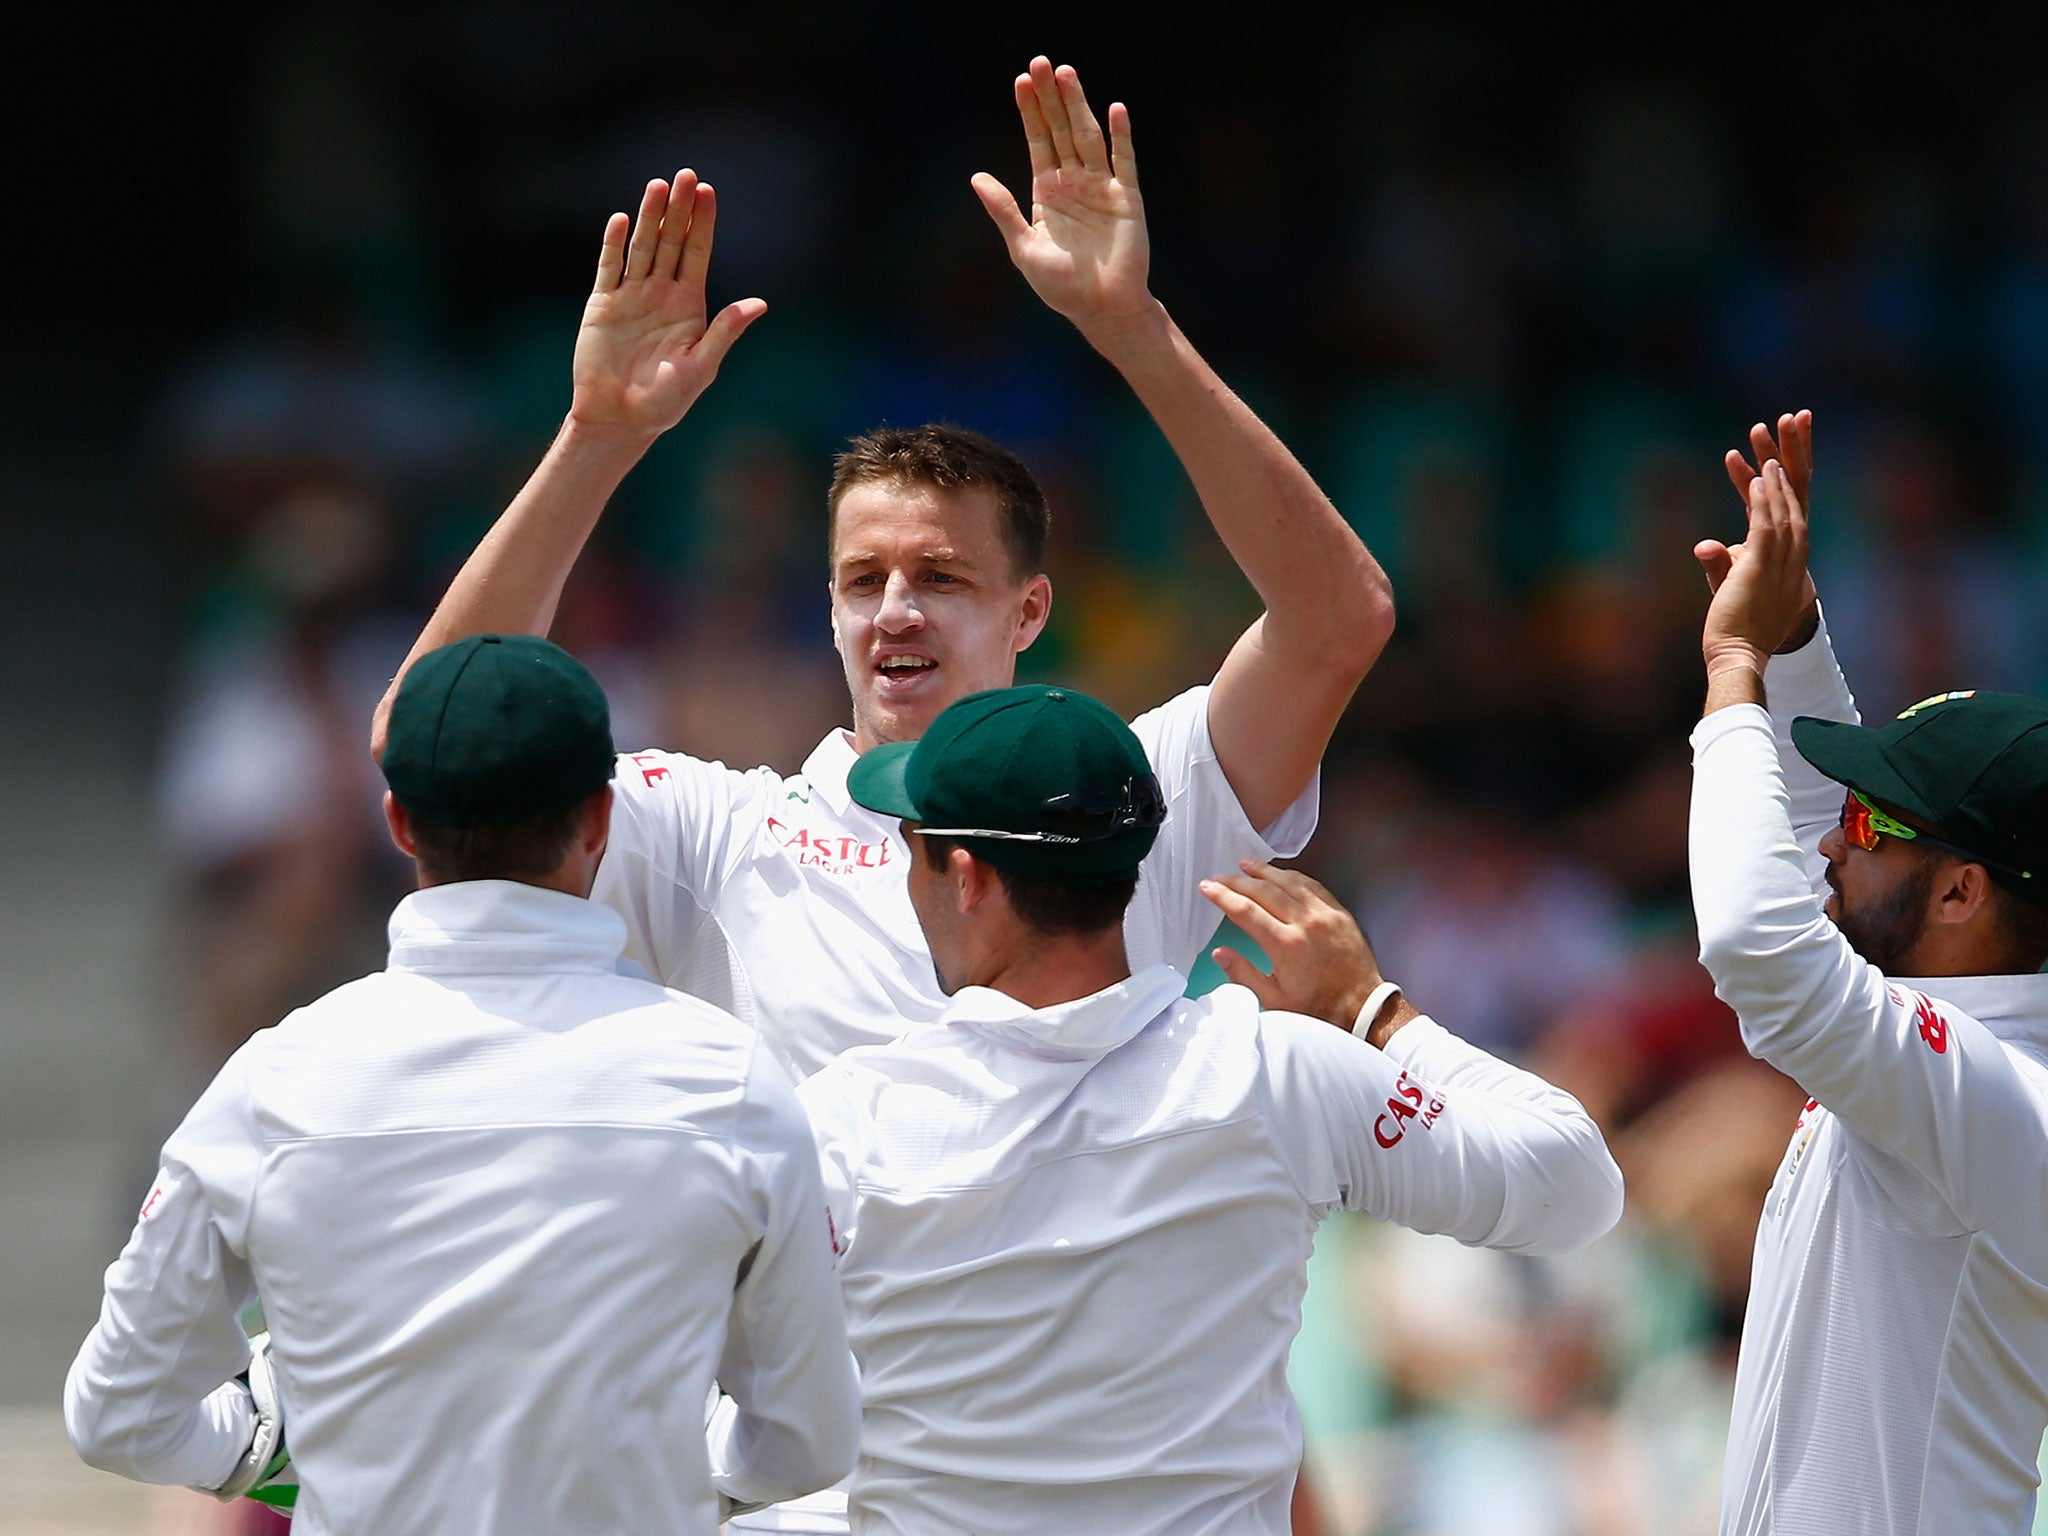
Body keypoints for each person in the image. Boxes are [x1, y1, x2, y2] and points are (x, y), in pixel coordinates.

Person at [367, 56, 1392, 1086]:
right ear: (828, 609)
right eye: (863, 581)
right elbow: (434, 746)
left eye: (941, 579)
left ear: (1028, 609)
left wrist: (1133, 332)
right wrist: (596, 438)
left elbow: (1336, 620)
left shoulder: (1129, 797)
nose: (895, 611)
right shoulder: (721, 834)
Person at [65, 634, 860, 1534]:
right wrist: (652, 1466)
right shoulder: (731, 1084)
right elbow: (810, 1443)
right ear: (601, 818)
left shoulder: (276, 1080)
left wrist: (268, 1449)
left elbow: (118, 1414)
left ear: (398, 821)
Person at [790, 681, 1624, 1534]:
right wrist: (1372, 1012)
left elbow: (762, 1439)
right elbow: (1577, 1183)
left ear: (964, 877)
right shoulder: (1279, 1073)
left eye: (912, 843)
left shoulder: (840, 1123)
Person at [1689, 412, 2048, 1534]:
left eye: (1873, 823)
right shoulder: (1952, 1047)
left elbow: (1757, 943)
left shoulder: (2001, 1093)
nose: (1834, 845)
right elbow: (1817, 835)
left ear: (1960, 893)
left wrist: (1731, 671)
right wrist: (1791, 636)